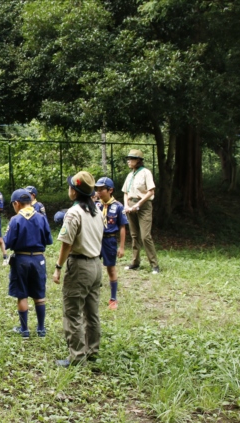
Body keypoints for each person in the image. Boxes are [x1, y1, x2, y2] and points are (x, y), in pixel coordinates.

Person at [52, 171, 103, 367]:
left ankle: (77, 357)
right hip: (96, 265)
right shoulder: (96, 211)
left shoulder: (73, 213)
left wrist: (58, 267)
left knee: (72, 312)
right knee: (92, 312)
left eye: (70, 187)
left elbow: (66, 244)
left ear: (74, 192)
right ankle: (92, 352)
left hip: (80, 266)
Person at [4, 188, 53, 339]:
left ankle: (24, 330)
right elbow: (49, 240)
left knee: (22, 294)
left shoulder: (15, 220)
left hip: (21, 260)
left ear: (17, 204)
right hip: (39, 260)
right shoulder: (41, 218)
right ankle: (41, 330)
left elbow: (7, 242)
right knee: (39, 295)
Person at [121, 149, 160, 274]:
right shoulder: (130, 175)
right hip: (131, 205)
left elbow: (151, 191)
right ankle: (135, 262)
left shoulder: (145, 173)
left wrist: (138, 204)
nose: (129, 161)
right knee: (134, 235)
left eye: (131, 159)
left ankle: (154, 265)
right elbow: (125, 192)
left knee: (145, 236)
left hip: (143, 205)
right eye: (128, 158)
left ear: (138, 160)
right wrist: (126, 205)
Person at [94, 177, 128, 310]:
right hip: (96, 240)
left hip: (110, 240)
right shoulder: (96, 205)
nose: (99, 192)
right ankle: (93, 295)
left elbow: (123, 227)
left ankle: (113, 298)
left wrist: (122, 247)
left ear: (110, 190)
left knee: (110, 268)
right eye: (97, 189)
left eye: (102, 189)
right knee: (93, 266)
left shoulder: (118, 207)